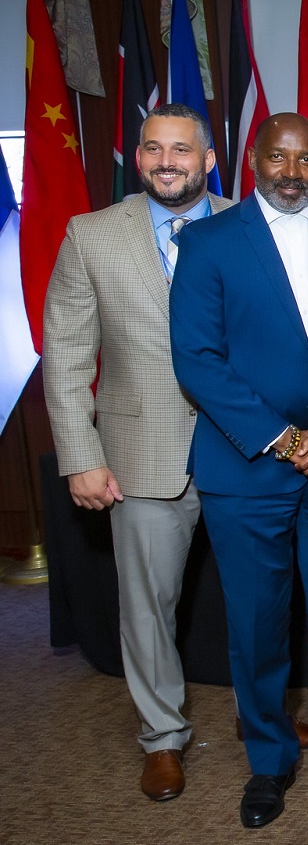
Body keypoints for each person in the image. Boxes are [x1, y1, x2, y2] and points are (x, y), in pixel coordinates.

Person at [169, 113, 308, 829]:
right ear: (252, 159)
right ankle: (268, 759)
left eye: (304, 161)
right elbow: (197, 358)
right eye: (276, 158)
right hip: (248, 467)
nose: (290, 174)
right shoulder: (206, 241)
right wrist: (288, 440)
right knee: (259, 622)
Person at [42, 104, 232, 803]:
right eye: (153, 148)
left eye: (181, 149)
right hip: (140, 450)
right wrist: (79, 455)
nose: (165, 161)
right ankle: (162, 736)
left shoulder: (250, 225)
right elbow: (64, 355)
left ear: (208, 160)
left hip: (245, 451)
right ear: (139, 157)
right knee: (147, 605)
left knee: (263, 594)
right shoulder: (92, 234)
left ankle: (267, 718)